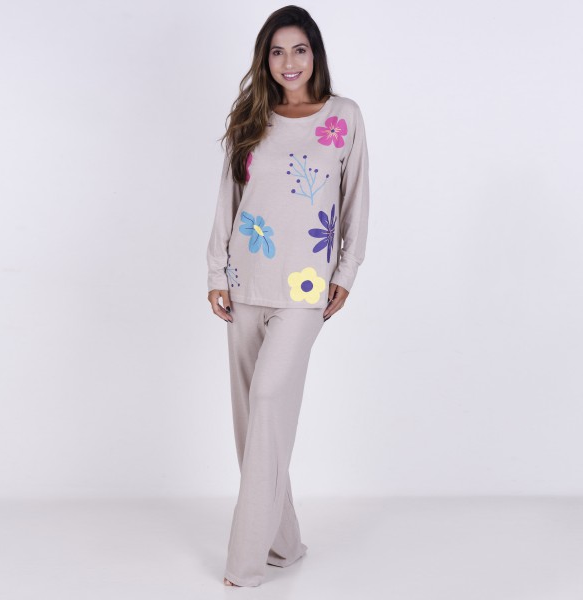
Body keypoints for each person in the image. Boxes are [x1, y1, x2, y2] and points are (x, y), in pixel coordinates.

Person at [206, 5, 370, 588]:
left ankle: (245, 562)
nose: (289, 62)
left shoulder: (343, 117)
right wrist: (216, 271)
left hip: (305, 289)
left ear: (315, 54)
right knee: (253, 420)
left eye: (299, 49)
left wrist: (347, 269)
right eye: (277, 51)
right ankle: (285, 543)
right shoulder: (250, 117)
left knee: (270, 401)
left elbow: (357, 199)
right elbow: (228, 200)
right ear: (265, 59)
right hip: (245, 282)